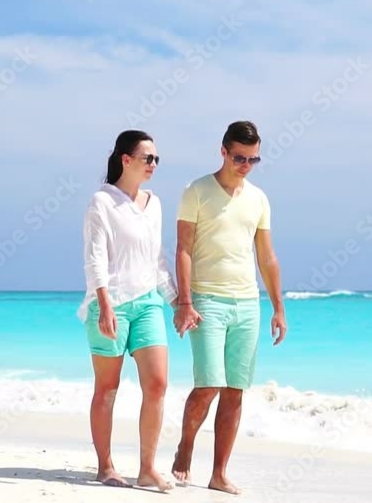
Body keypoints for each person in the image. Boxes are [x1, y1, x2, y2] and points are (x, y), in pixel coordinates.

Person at [171, 120, 287, 495]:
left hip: (248, 304)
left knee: (235, 390)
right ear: (223, 151)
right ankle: (186, 445)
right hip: (206, 300)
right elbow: (183, 249)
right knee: (208, 385)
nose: (246, 165)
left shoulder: (259, 199)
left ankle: (219, 473)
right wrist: (184, 302)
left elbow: (267, 257)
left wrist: (278, 308)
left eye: (254, 159)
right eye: (240, 158)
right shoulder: (196, 191)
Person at [77, 129, 178, 491]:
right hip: (111, 304)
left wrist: (177, 302)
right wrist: (104, 304)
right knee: (107, 388)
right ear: (126, 159)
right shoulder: (102, 202)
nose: (153, 164)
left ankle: (148, 469)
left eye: (156, 159)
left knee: (158, 383)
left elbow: (157, 260)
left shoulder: (155, 204)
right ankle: (105, 467)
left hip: (148, 303)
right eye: (147, 158)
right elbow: (95, 258)